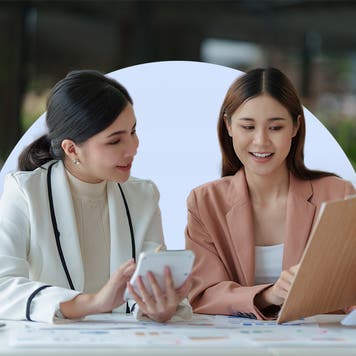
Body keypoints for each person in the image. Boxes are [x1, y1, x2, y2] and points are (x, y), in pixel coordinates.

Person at [0, 69, 192, 324]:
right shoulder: (26, 192)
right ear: (71, 149)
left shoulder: (143, 196)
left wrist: (160, 306)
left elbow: (146, 288)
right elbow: (4, 287)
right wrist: (92, 303)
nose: (133, 148)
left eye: (133, 131)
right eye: (115, 141)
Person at [185, 67, 356, 320]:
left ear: (296, 127)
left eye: (275, 128)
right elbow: (203, 294)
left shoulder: (338, 195)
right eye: (248, 127)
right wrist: (269, 295)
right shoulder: (205, 202)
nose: (261, 141)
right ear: (229, 126)